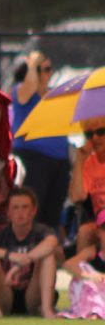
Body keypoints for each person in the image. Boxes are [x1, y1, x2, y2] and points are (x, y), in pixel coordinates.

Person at [0, 186, 59, 318]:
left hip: (33, 295)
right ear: (8, 213)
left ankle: (47, 309)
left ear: (33, 211)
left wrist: (20, 264)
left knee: (48, 256)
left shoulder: (42, 231)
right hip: (6, 294)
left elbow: (52, 243)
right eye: (15, 208)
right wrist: (9, 255)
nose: (20, 212)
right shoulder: (1, 234)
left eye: (25, 207)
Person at [10, 49, 69, 229]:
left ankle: (48, 248)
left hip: (59, 161)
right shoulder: (21, 91)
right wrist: (33, 64)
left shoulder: (55, 94)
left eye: (50, 69)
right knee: (33, 209)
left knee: (53, 212)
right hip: (34, 158)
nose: (49, 73)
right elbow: (30, 87)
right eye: (44, 69)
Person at [63, 117, 105, 276]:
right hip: (99, 224)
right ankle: (85, 288)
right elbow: (76, 197)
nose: (94, 138)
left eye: (101, 132)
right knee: (85, 231)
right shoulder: (88, 164)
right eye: (89, 134)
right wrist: (80, 161)